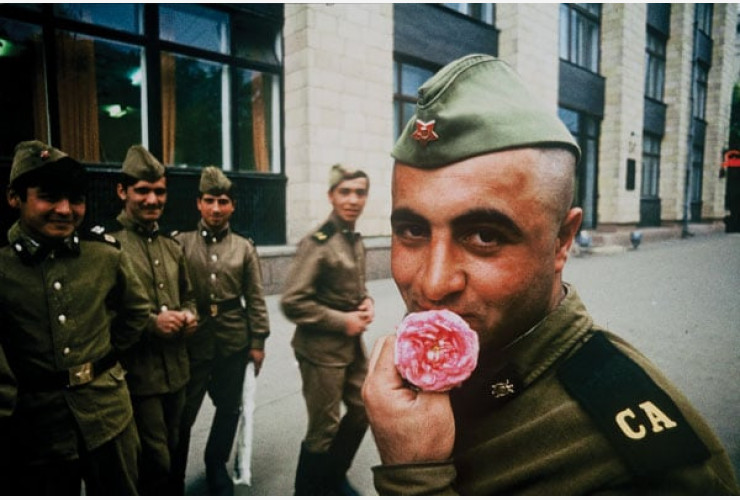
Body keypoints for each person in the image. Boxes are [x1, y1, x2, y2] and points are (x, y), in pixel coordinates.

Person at [361, 54, 740, 495]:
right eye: (412, 231)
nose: (432, 283)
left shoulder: (633, 468)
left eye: (484, 236)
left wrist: (416, 480)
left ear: (562, 240)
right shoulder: (429, 374)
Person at [0, 140, 151, 494]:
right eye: (49, 197)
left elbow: (136, 310)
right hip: (37, 428)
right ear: (14, 198)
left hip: (108, 413)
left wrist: (106, 359)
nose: (65, 210)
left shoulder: (104, 255)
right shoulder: (3, 265)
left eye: (76, 199)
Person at [171, 166, 271, 495]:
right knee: (183, 413)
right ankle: (173, 475)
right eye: (210, 200)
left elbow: (255, 299)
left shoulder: (244, 247)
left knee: (229, 408)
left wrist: (258, 342)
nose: (216, 208)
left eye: (223, 201)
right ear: (198, 203)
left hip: (233, 340)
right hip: (193, 342)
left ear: (233, 206)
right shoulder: (180, 244)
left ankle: (216, 464)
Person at [108, 144, 198, 495]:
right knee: (153, 461)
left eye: (159, 191)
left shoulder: (171, 246)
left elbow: (189, 297)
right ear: (122, 191)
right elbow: (102, 314)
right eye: (142, 190)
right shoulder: (109, 247)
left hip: (177, 372)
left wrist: (190, 316)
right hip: (138, 376)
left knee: (174, 450)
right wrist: (150, 324)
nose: (152, 199)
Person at [281, 164, 375, 495]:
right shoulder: (319, 242)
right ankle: (308, 491)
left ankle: (332, 476)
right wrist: (343, 321)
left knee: (365, 407)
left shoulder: (353, 239)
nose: (353, 199)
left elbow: (354, 288)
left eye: (360, 192)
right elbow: (292, 301)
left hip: (351, 348)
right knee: (324, 429)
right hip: (320, 351)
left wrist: (367, 302)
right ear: (331, 196)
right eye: (344, 192)